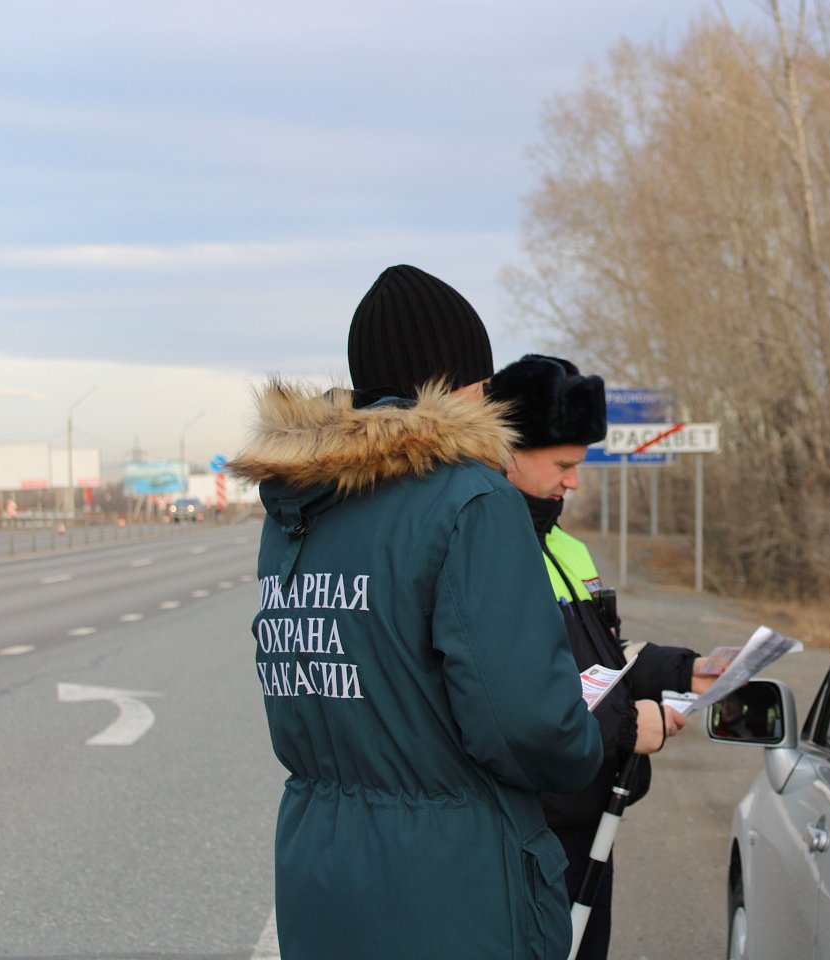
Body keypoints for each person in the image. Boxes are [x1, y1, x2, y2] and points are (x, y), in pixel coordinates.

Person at [227, 266, 603, 960]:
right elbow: (523, 722)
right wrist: (592, 740)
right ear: (457, 384)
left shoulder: (297, 510)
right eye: (485, 384)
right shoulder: (469, 499)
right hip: (452, 888)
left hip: (319, 872)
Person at [485, 354, 711, 960]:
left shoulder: (566, 549)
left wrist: (683, 670)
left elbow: (601, 658)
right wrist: (626, 729)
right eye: (562, 465)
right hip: (527, 838)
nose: (574, 483)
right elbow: (518, 705)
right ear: (506, 449)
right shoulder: (485, 553)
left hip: (590, 826)